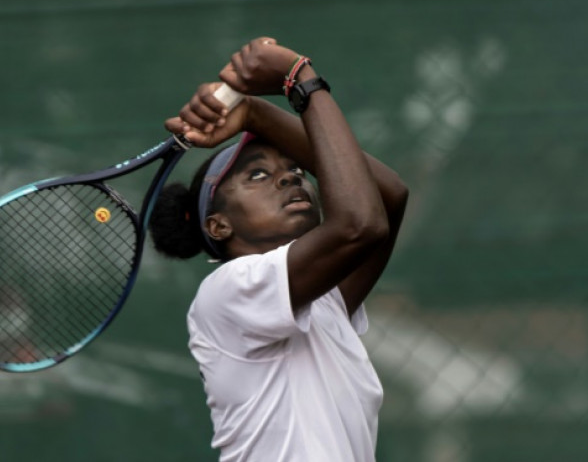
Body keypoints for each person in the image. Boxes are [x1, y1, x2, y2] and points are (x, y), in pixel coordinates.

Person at [149, 37, 409, 462]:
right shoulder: (230, 290)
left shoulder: (324, 304)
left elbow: (388, 196)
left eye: (294, 170)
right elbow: (360, 224)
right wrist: (299, 78)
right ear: (218, 225)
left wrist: (257, 113)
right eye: (256, 175)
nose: (290, 179)